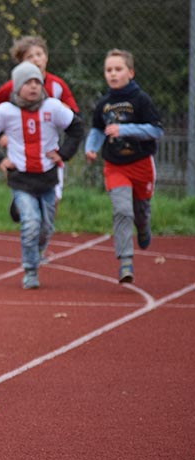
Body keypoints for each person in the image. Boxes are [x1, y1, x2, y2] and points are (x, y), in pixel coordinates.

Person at [0, 62, 83, 289]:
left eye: (37, 82)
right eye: (28, 82)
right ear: (17, 87)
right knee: (31, 224)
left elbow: (76, 128)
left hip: (47, 177)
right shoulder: (6, 111)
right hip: (21, 179)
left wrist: (63, 153)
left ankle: (35, 245)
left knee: (46, 228)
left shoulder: (53, 107)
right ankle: (30, 270)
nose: (34, 87)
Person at [0, 35, 79, 227]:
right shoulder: (13, 86)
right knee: (28, 209)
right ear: (21, 64)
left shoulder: (57, 86)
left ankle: (42, 239)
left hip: (49, 152)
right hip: (22, 153)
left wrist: (60, 114)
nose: (36, 60)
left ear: (47, 57)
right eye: (29, 57)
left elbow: (74, 115)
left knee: (54, 200)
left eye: (39, 54)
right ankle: (23, 210)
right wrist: (3, 134)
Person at [85, 49, 163, 284]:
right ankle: (125, 262)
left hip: (141, 165)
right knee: (122, 210)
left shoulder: (141, 100)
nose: (113, 74)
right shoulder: (104, 104)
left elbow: (156, 130)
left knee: (139, 212)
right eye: (109, 70)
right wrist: (91, 147)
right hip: (115, 166)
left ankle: (143, 227)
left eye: (118, 69)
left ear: (130, 72)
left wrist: (125, 130)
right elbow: (98, 129)